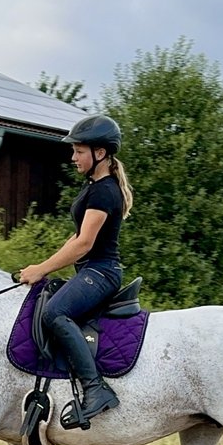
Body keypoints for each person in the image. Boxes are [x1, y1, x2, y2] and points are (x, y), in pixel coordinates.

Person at [19, 115, 135, 427]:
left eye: (79, 151)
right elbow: (76, 238)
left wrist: (42, 268)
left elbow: (84, 244)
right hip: (91, 270)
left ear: (100, 153)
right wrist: (41, 267)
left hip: (101, 272)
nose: (73, 157)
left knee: (54, 313)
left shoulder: (104, 191)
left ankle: (96, 390)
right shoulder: (93, 187)